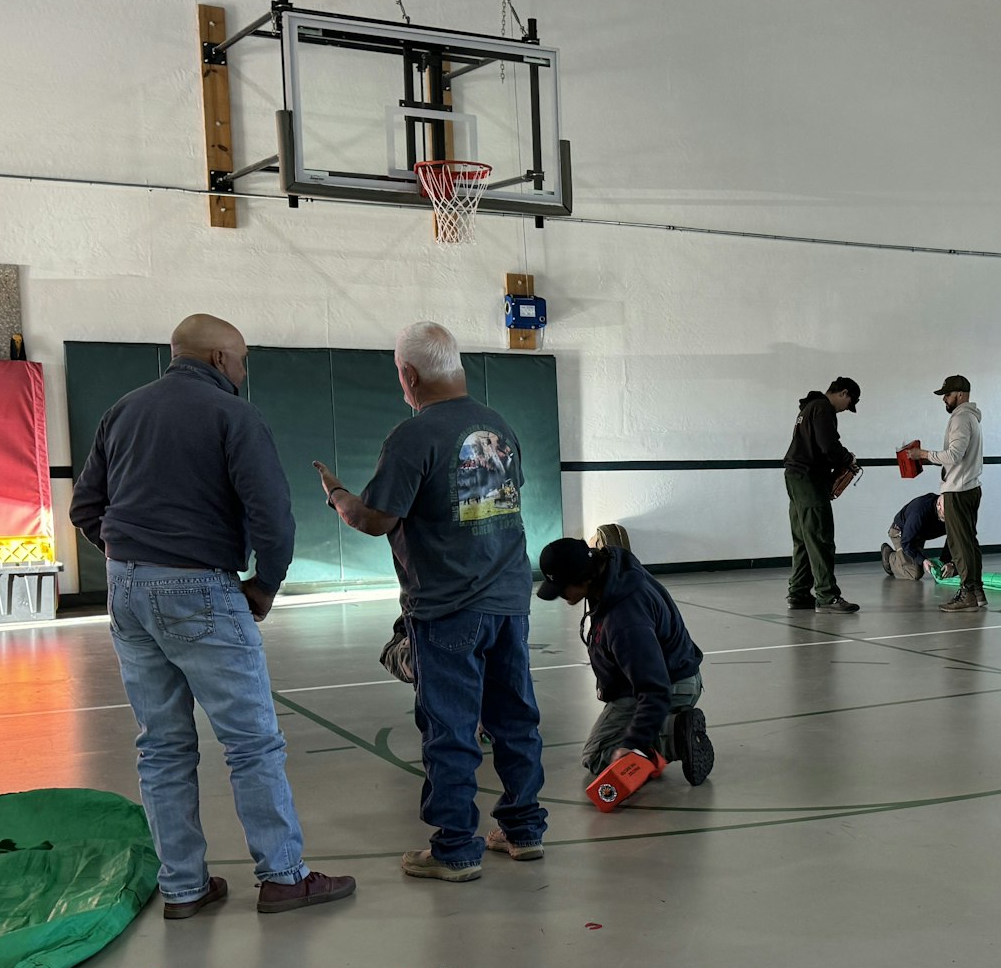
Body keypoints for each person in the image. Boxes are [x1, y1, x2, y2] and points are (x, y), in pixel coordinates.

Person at [70, 314, 354, 917]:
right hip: (200, 586)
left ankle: (183, 887)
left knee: (163, 745)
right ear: (222, 358)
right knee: (251, 743)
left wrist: (131, 560)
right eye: (243, 360)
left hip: (125, 587)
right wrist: (267, 584)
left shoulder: (122, 410)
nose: (244, 371)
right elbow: (272, 515)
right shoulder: (234, 416)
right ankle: (283, 876)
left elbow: (86, 506)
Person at [315, 321, 547, 883]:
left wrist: (339, 495)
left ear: (408, 375)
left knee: (450, 727)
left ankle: (455, 849)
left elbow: (376, 520)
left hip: (447, 609)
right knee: (514, 719)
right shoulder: (498, 425)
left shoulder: (413, 436)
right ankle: (523, 831)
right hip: (510, 601)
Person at [535, 537, 715, 786]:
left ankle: (674, 736)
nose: (561, 596)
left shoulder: (625, 621)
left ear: (584, 578)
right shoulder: (612, 570)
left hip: (673, 684)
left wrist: (634, 745)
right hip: (657, 677)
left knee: (597, 756)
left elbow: (654, 688)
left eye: (563, 588)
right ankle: (666, 731)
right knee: (608, 741)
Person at [782, 378, 862, 614]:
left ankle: (798, 593)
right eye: (849, 403)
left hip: (795, 476)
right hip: (809, 479)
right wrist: (848, 459)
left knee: (803, 539)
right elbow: (828, 445)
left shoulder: (808, 407)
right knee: (820, 537)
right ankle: (827, 596)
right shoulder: (823, 407)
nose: (845, 409)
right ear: (843, 393)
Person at [920, 375, 985, 611]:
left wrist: (924, 454)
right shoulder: (972, 418)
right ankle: (977, 591)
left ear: (959, 394)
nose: (944, 400)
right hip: (970, 488)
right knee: (969, 542)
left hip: (957, 490)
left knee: (959, 545)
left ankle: (967, 594)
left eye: (946, 395)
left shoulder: (960, 418)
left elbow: (954, 455)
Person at [881, 492, 947, 582]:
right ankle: (890, 557)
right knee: (915, 573)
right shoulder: (919, 512)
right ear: (938, 505)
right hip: (901, 533)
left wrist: (945, 562)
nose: (949, 516)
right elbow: (906, 542)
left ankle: (902, 557)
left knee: (916, 562)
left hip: (918, 535)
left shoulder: (949, 515)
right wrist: (923, 560)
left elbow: (953, 538)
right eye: (946, 512)